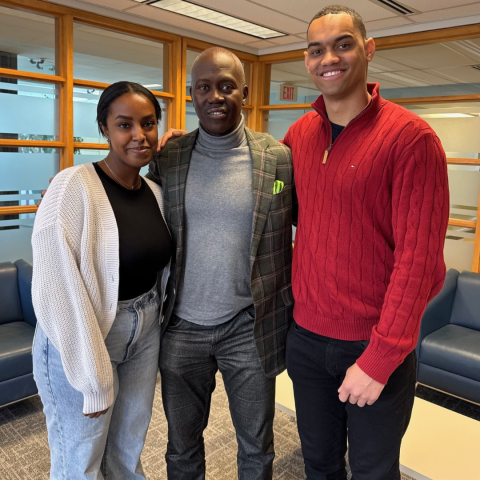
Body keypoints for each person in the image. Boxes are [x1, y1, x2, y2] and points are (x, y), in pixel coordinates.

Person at [282, 6, 450, 480]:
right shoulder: (299, 135)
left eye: (343, 44)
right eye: (317, 49)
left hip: (373, 344)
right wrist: (188, 147)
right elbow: (275, 205)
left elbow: (419, 264)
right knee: (318, 463)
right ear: (307, 59)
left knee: (374, 470)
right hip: (307, 341)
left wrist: (378, 360)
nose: (328, 58)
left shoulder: (411, 140)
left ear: (368, 49)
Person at [147, 47, 293, 480]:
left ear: (244, 92)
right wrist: (71, 189)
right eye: (204, 87)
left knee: (256, 448)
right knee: (182, 447)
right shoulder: (168, 158)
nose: (216, 96)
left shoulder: (278, 158)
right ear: (192, 94)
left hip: (248, 327)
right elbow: (129, 201)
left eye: (226, 86)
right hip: (181, 328)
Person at [32, 81, 172, 480]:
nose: (138, 135)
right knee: (82, 457)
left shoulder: (155, 192)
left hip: (143, 333)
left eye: (148, 124)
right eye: (124, 125)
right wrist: (90, 376)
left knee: (128, 446)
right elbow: (55, 287)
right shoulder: (73, 186)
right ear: (104, 129)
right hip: (83, 335)